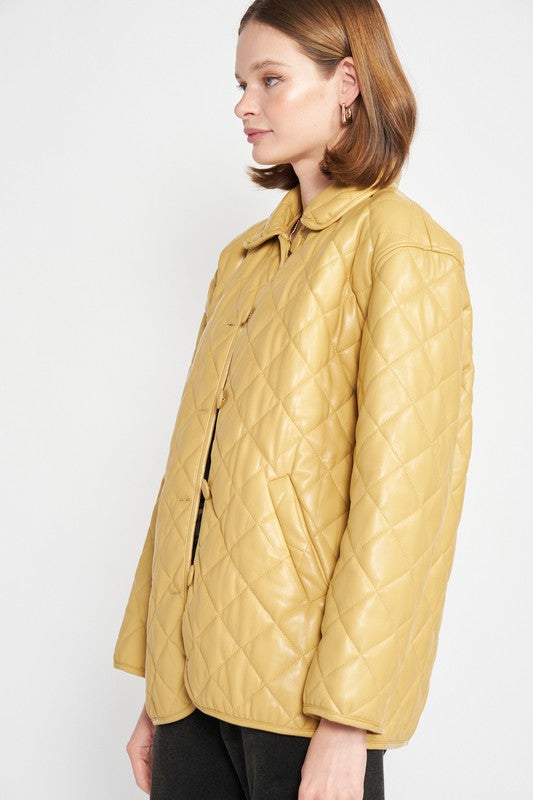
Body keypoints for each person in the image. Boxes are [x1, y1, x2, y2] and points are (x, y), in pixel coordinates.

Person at [113, 1, 474, 798]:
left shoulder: (403, 250)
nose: (244, 104)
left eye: (269, 79)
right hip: (191, 692)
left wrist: (349, 720)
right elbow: (190, 479)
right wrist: (156, 689)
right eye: (241, 83)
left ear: (347, 83)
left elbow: (403, 510)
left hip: (304, 705)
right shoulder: (242, 262)